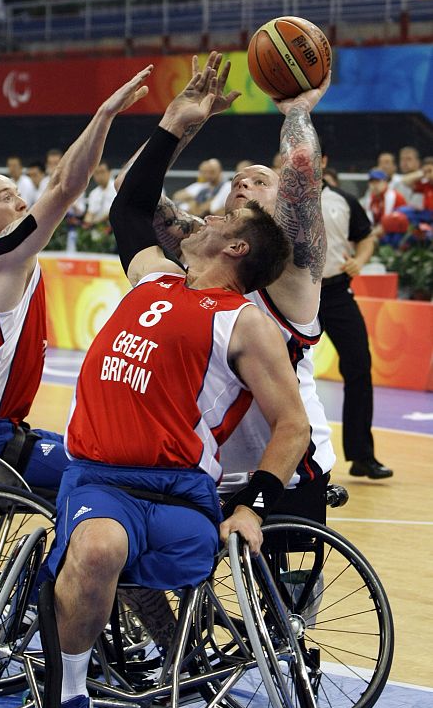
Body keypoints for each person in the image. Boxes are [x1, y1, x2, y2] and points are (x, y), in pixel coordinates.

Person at [46, 64, 310, 708]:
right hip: (102, 478)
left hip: (179, 491)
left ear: (235, 249)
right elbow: (129, 211)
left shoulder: (244, 322)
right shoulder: (154, 278)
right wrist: (172, 127)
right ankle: (71, 705)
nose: (205, 217)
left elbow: (293, 425)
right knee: (99, 550)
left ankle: (175, 667)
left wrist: (252, 505)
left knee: (151, 576)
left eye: (221, 220)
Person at [117, 52, 335, 523]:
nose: (243, 184)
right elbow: (129, 190)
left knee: (278, 578)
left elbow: (300, 166)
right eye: (237, 181)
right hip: (202, 465)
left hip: (285, 469)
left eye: (260, 181)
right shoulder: (202, 244)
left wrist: (298, 110)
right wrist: (187, 122)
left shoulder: (289, 266)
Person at [0, 66, 154, 488]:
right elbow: (64, 187)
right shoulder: (1, 260)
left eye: (17, 193)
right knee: (109, 478)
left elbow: (57, 182)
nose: (20, 203)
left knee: (101, 451)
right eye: (6, 197)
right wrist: (105, 114)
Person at [320, 148, 393, 479]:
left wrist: (360, 261)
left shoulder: (343, 200)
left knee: (359, 366)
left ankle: (362, 455)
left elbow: (365, 238)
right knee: (279, 374)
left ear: (323, 161)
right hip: (291, 295)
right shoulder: (279, 200)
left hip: (336, 291)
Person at [82, 160, 116, 226]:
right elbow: (90, 213)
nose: (100, 176)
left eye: (102, 172)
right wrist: (86, 224)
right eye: (96, 173)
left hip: (114, 224)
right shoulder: (93, 193)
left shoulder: (117, 187)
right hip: (98, 227)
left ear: (109, 172)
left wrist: (96, 222)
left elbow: (114, 210)